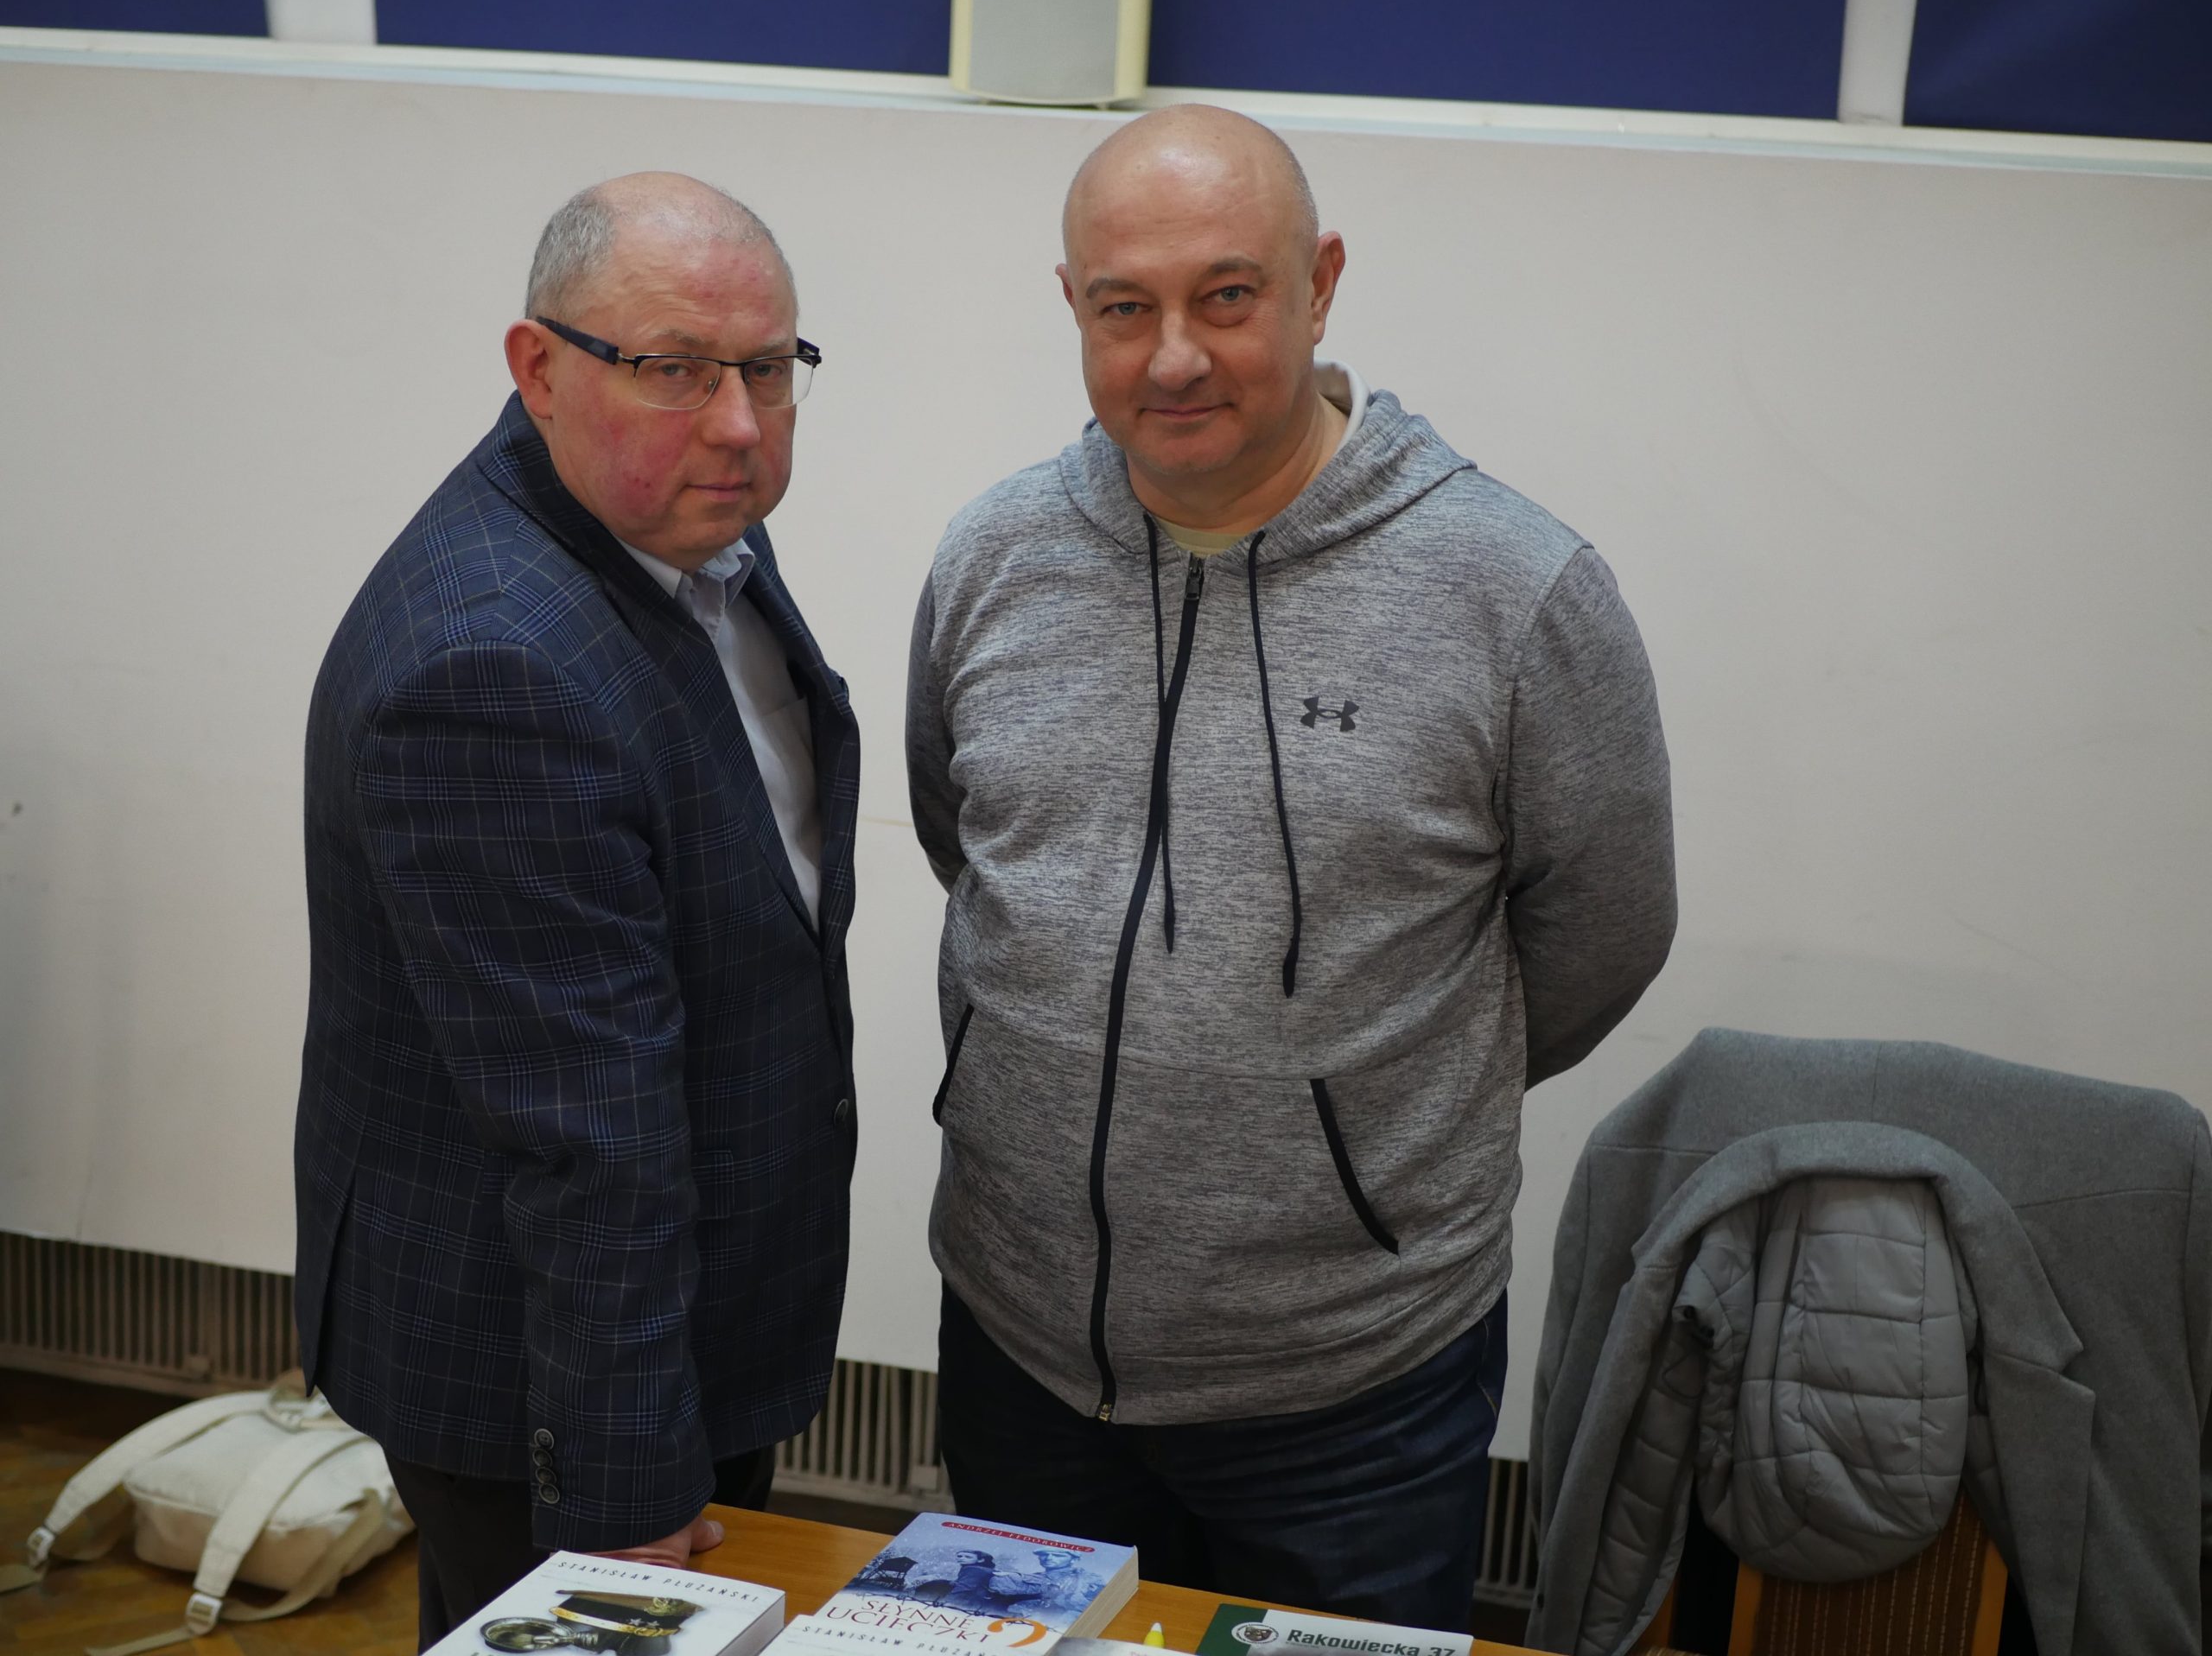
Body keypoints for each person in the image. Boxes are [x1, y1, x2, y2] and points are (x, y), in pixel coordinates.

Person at [905, 106, 1675, 1628]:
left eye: (1228, 295)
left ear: (1320, 285)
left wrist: (1360, 1124)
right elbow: (960, 843)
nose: (1174, 356)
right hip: (1019, 1349)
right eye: (1125, 308)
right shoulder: (992, 557)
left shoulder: (1515, 590)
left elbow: (1603, 933)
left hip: (1353, 1393)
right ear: (1072, 308)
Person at [296, 172, 860, 1648]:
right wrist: (622, 1492)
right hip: (553, 1388)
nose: (737, 423)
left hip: (678, 1323)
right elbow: (584, 1136)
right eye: (673, 368)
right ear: (538, 368)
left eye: (767, 369)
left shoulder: (670, 522)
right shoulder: (494, 671)